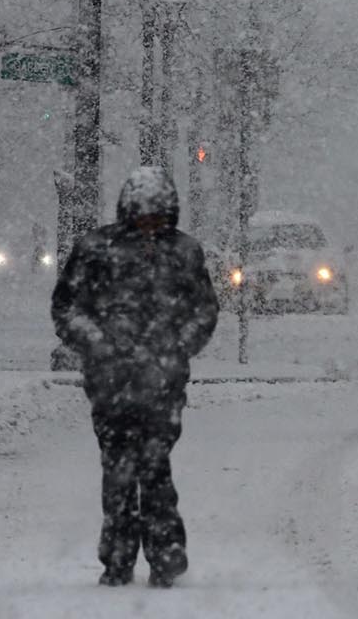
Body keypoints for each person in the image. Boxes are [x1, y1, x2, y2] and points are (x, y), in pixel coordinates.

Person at [51, 167, 219, 588]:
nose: (149, 226)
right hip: (111, 384)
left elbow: (204, 310)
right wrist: (100, 345)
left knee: (154, 467)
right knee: (120, 472)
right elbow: (67, 307)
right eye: (143, 217)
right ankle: (122, 558)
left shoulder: (184, 252)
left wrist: (177, 346)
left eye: (157, 217)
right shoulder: (95, 249)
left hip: (162, 382)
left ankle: (162, 555)